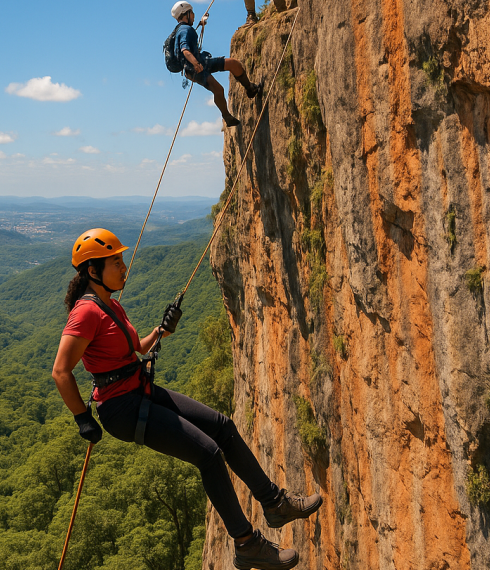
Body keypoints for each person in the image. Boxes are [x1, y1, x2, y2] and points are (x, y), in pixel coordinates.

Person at [52, 228, 322, 570]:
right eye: (115, 262)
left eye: (122, 260)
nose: (123, 267)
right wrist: (82, 418)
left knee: (223, 427)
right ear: (93, 271)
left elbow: (136, 349)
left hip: (138, 391)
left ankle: (274, 503)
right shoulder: (86, 313)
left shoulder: (111, 305)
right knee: (208, 455)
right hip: (122, 409)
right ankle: (247, 544)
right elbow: (61, 371)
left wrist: (161, 330)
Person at [171, 0, 261, 128]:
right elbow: (185, 50)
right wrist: (195, 63)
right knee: (218, 90)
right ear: (186, 14)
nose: (194, 15)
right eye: (192, 12)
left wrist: (201, 23)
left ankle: (250, 88)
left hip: (201, 63)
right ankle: (227, 117)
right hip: (196, 68)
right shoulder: (185, 30)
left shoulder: (182, 29)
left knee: (233, 63)